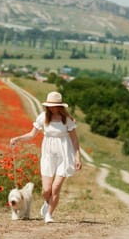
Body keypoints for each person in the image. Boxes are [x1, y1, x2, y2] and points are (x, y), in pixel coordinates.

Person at [10, 91, 82, 223]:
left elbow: (75, 140)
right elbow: (32, 135)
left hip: (64, 154)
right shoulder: (43, 117)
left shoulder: (67, 120)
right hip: (48, 154)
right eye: (50, 105)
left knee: (55, 188)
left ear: (61, 106)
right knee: (46, 189)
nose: (52, 108)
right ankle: (47, 202)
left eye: (55, 105)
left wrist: (78, 157)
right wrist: (18, 139)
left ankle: (49, 214)